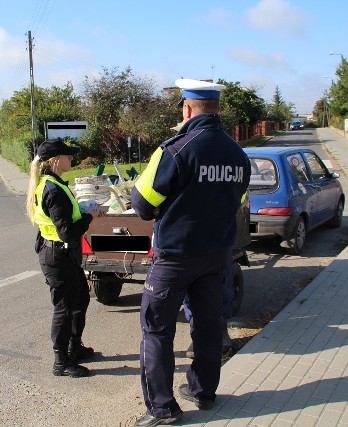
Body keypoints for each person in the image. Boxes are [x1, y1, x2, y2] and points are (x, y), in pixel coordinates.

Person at [131, 79, 252, 426]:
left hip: (175, 257)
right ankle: (203, 391)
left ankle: (162, 408)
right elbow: (238, 200)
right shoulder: (238, 154)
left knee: (157, 330)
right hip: (216, 255)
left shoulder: (175, 149)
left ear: (186, 109)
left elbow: (141, 204)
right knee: (208, 325)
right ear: (217, 109)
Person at [26, 138, 101, 378]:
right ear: (55, 160)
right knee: (64, 309)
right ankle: (61, 362)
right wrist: (90, 216)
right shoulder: (53, 189)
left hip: (63, 254)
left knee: (80, 299)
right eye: (68, 155)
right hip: (57, 256)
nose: (72, 158)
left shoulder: (54, 183)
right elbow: (67, 231)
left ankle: (74, 348)